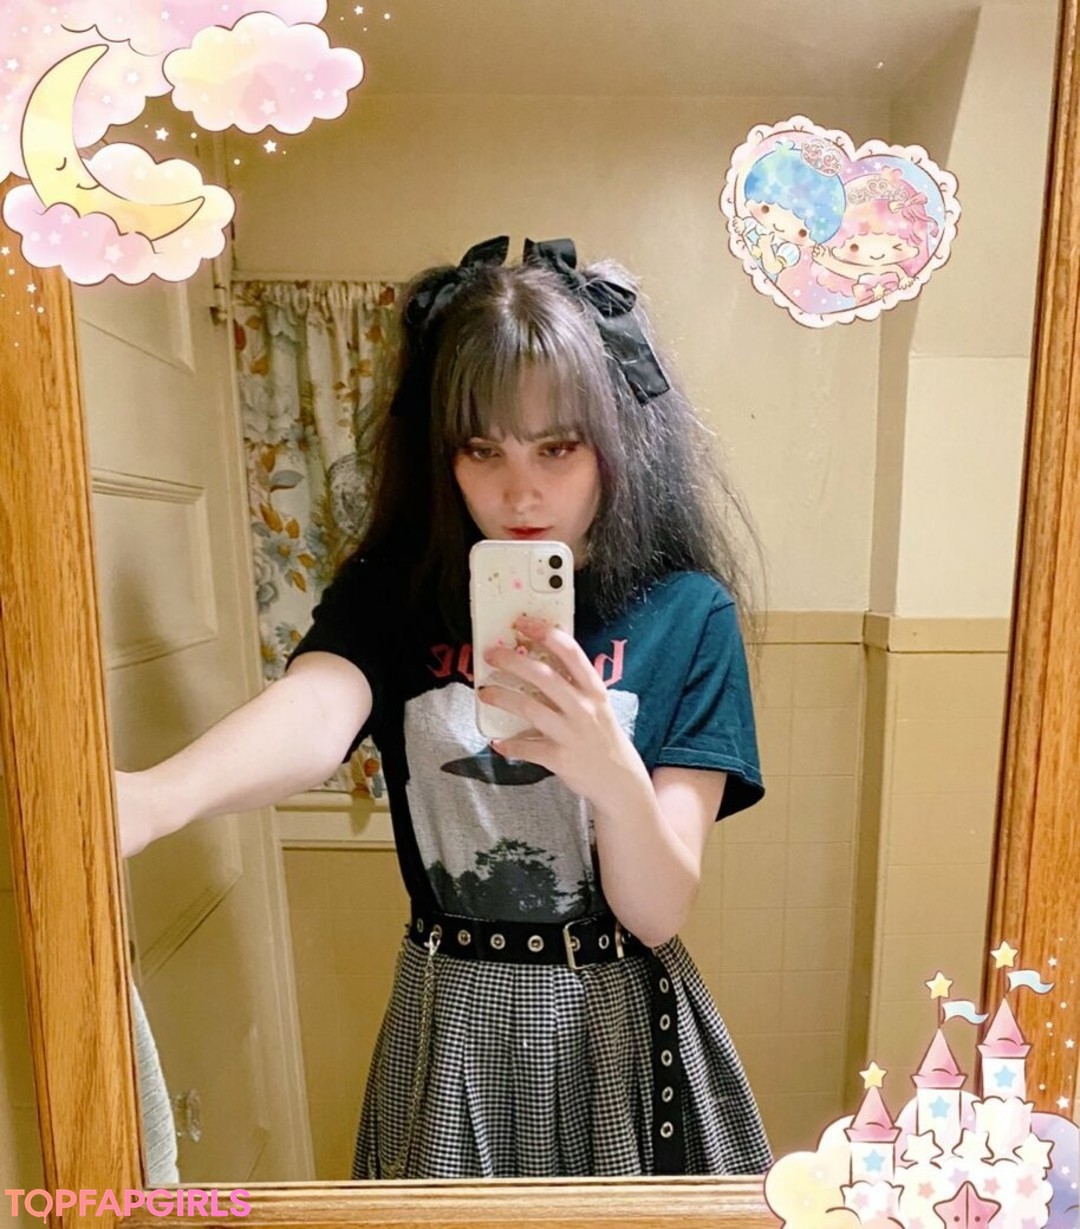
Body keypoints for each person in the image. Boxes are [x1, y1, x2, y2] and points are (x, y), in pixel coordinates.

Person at [117, 234, 772, 1180]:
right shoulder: (395, 594)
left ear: (616, 442)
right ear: (443, 455)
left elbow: (658, 909)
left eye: (558, 447)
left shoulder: (686, 613)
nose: (520, 489)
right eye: (482, 448)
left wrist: (609, 771)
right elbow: (316, 711)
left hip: (621, 1031)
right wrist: (154, 798)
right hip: (451, 1018)